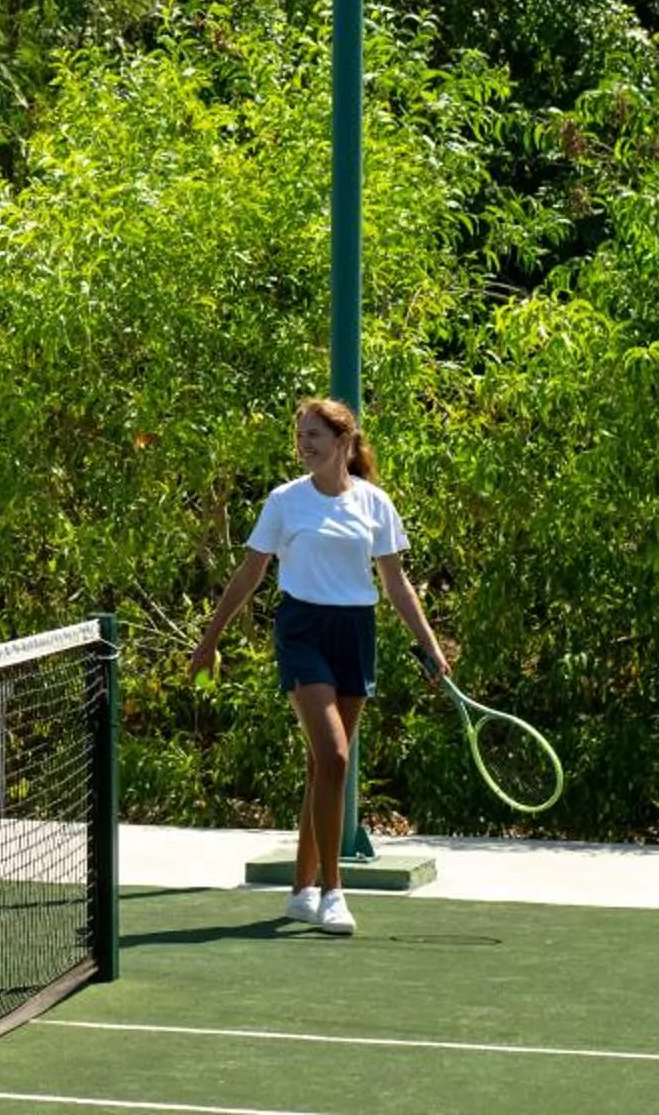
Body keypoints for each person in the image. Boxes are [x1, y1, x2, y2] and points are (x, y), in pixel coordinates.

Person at [186, 397, 446, 938]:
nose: (304, 445)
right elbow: (251, 571)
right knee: (334, 756)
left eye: (314, 436)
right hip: (302, 630)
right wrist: (210, 639)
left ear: (343, 442)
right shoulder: (285, 501)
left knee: (322, 768)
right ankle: (333, 891)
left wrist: (430, 645)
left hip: (355, 632)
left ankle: (301, 890)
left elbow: (396, 584)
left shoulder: (375, 503)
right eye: (300, 435)